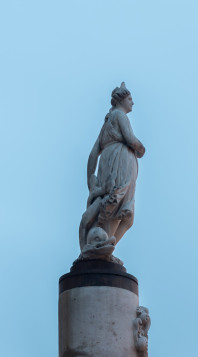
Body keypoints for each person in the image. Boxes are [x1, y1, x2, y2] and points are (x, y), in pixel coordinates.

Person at [78, 82, 146, 262]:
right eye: (130, 99)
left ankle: (106, 248)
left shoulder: (108, 120)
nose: (133, 103)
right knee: (118, 209)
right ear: (122, 99)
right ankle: (102, 250)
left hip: (110, 163)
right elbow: (131, 140)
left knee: (119, 212)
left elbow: (94, 152)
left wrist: (90, 179)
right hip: (119, 165)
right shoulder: (119, 115)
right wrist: (141, 149)